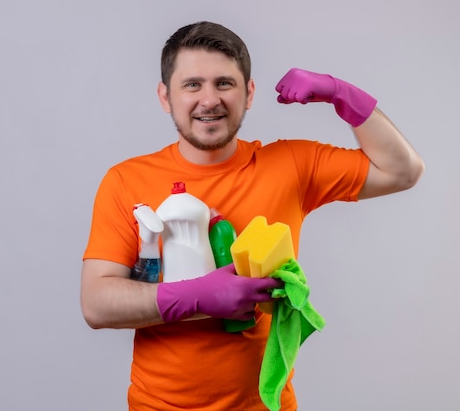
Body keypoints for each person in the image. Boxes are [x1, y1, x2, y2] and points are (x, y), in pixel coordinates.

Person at [80, 21, 424, 411]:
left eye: (224, 83)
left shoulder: (290, 164)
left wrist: (343, 95)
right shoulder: (126, 180)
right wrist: (195, 298)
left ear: (249, 93)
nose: (209, 100)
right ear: (165, 96)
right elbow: (97, 304)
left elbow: (402, 171)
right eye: (192, 84)